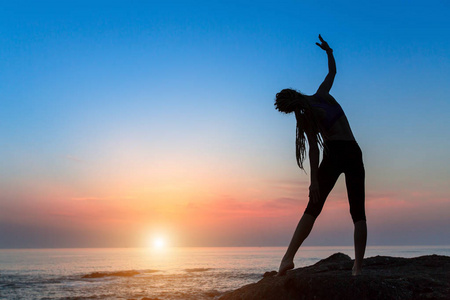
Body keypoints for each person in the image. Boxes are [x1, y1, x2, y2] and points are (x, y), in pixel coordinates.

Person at [274, 35, 367, 276]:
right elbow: (332, 73)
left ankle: (287, 258)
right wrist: (329, 52)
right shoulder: (322, 94)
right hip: (354, 150)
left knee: (313, 207)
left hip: (335, 153)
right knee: (358, 211)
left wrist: (313, 180)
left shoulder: (307, 114)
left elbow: (314, 149)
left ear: (292, 105)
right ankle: (358, 266)